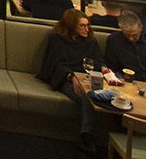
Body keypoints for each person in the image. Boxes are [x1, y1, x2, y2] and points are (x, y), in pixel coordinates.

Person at [38, 8, 103, 153]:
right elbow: (54, 65)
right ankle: (86, 136)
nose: (87, 29)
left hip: (86, 78)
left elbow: (98, 61)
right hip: (64, 78)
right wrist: (71, 76)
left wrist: (104, 68)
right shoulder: (57, 39)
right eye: (82, 26)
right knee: (88, 97)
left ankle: (87, 135)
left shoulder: (90, 41)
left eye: (88, 25)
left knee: (95, 95)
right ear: (71, 25)